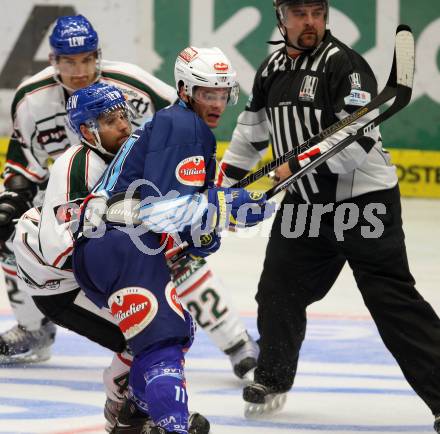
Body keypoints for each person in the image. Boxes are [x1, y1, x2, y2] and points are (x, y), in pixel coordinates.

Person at [218, 0, 440, 430]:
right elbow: (250, 134)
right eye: (300, 13)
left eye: (317, 12)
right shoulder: (272, 70)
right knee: (278, 289)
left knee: (392, 302)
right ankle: (272, 377)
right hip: (305, 205)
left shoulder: (348, 68)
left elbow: (353, 152)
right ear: (281, 17)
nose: (310, 22)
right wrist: (227, 190)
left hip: (364, 206)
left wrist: (291, 165)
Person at [0, 14, 258, 381]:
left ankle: (237, 342)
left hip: (135, 191)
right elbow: (24, 161)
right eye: (69, 61)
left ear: (99, 57)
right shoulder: (31, 99)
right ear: (53, 61)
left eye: (87, 59)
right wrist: (13, 196)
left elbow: (188, 124)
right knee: (9, 233)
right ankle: (33, 328)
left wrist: (201, 187)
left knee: (175, 252)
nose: (79, 70)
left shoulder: (134, 86)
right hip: (68, 200)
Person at [71, 46, 274, 434]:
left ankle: (134, 415)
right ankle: (171, 426)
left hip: (106, 250)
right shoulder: (183, 127)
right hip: (119, 242)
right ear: (184, 90)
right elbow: (161, 209)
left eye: (221, 94)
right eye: (205, 93)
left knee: (170, 335)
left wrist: (206, 226)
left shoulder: (180, 127)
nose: (216, 103)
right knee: (164, 339)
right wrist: (226, 204)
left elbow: (176, 215)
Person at [13, 82, 210, 434]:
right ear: (87, 130)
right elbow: (63, 246)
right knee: (148, 331)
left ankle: (133, 415)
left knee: (167, 327)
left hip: (85, 274)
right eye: (109, 121)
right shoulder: (77, 164)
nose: (123, 126)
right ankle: (126, 417)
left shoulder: (126, 160)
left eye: (123, 116)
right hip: (61, 285)